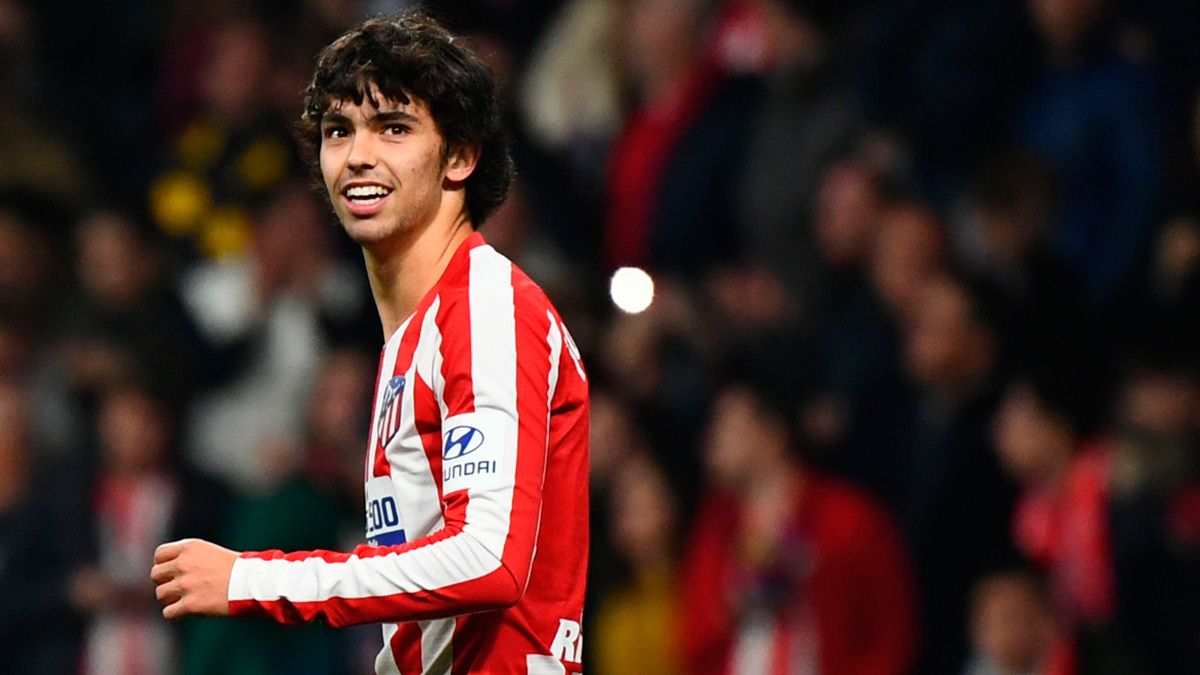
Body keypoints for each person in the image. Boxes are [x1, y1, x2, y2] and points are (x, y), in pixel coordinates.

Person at [150, 11, 591, 675]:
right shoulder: (413, 335)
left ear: (461, 156)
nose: (359, 154)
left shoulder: (485, 308)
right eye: (338, 130)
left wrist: (254, 579)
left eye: (394, 128)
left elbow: (489, 558)